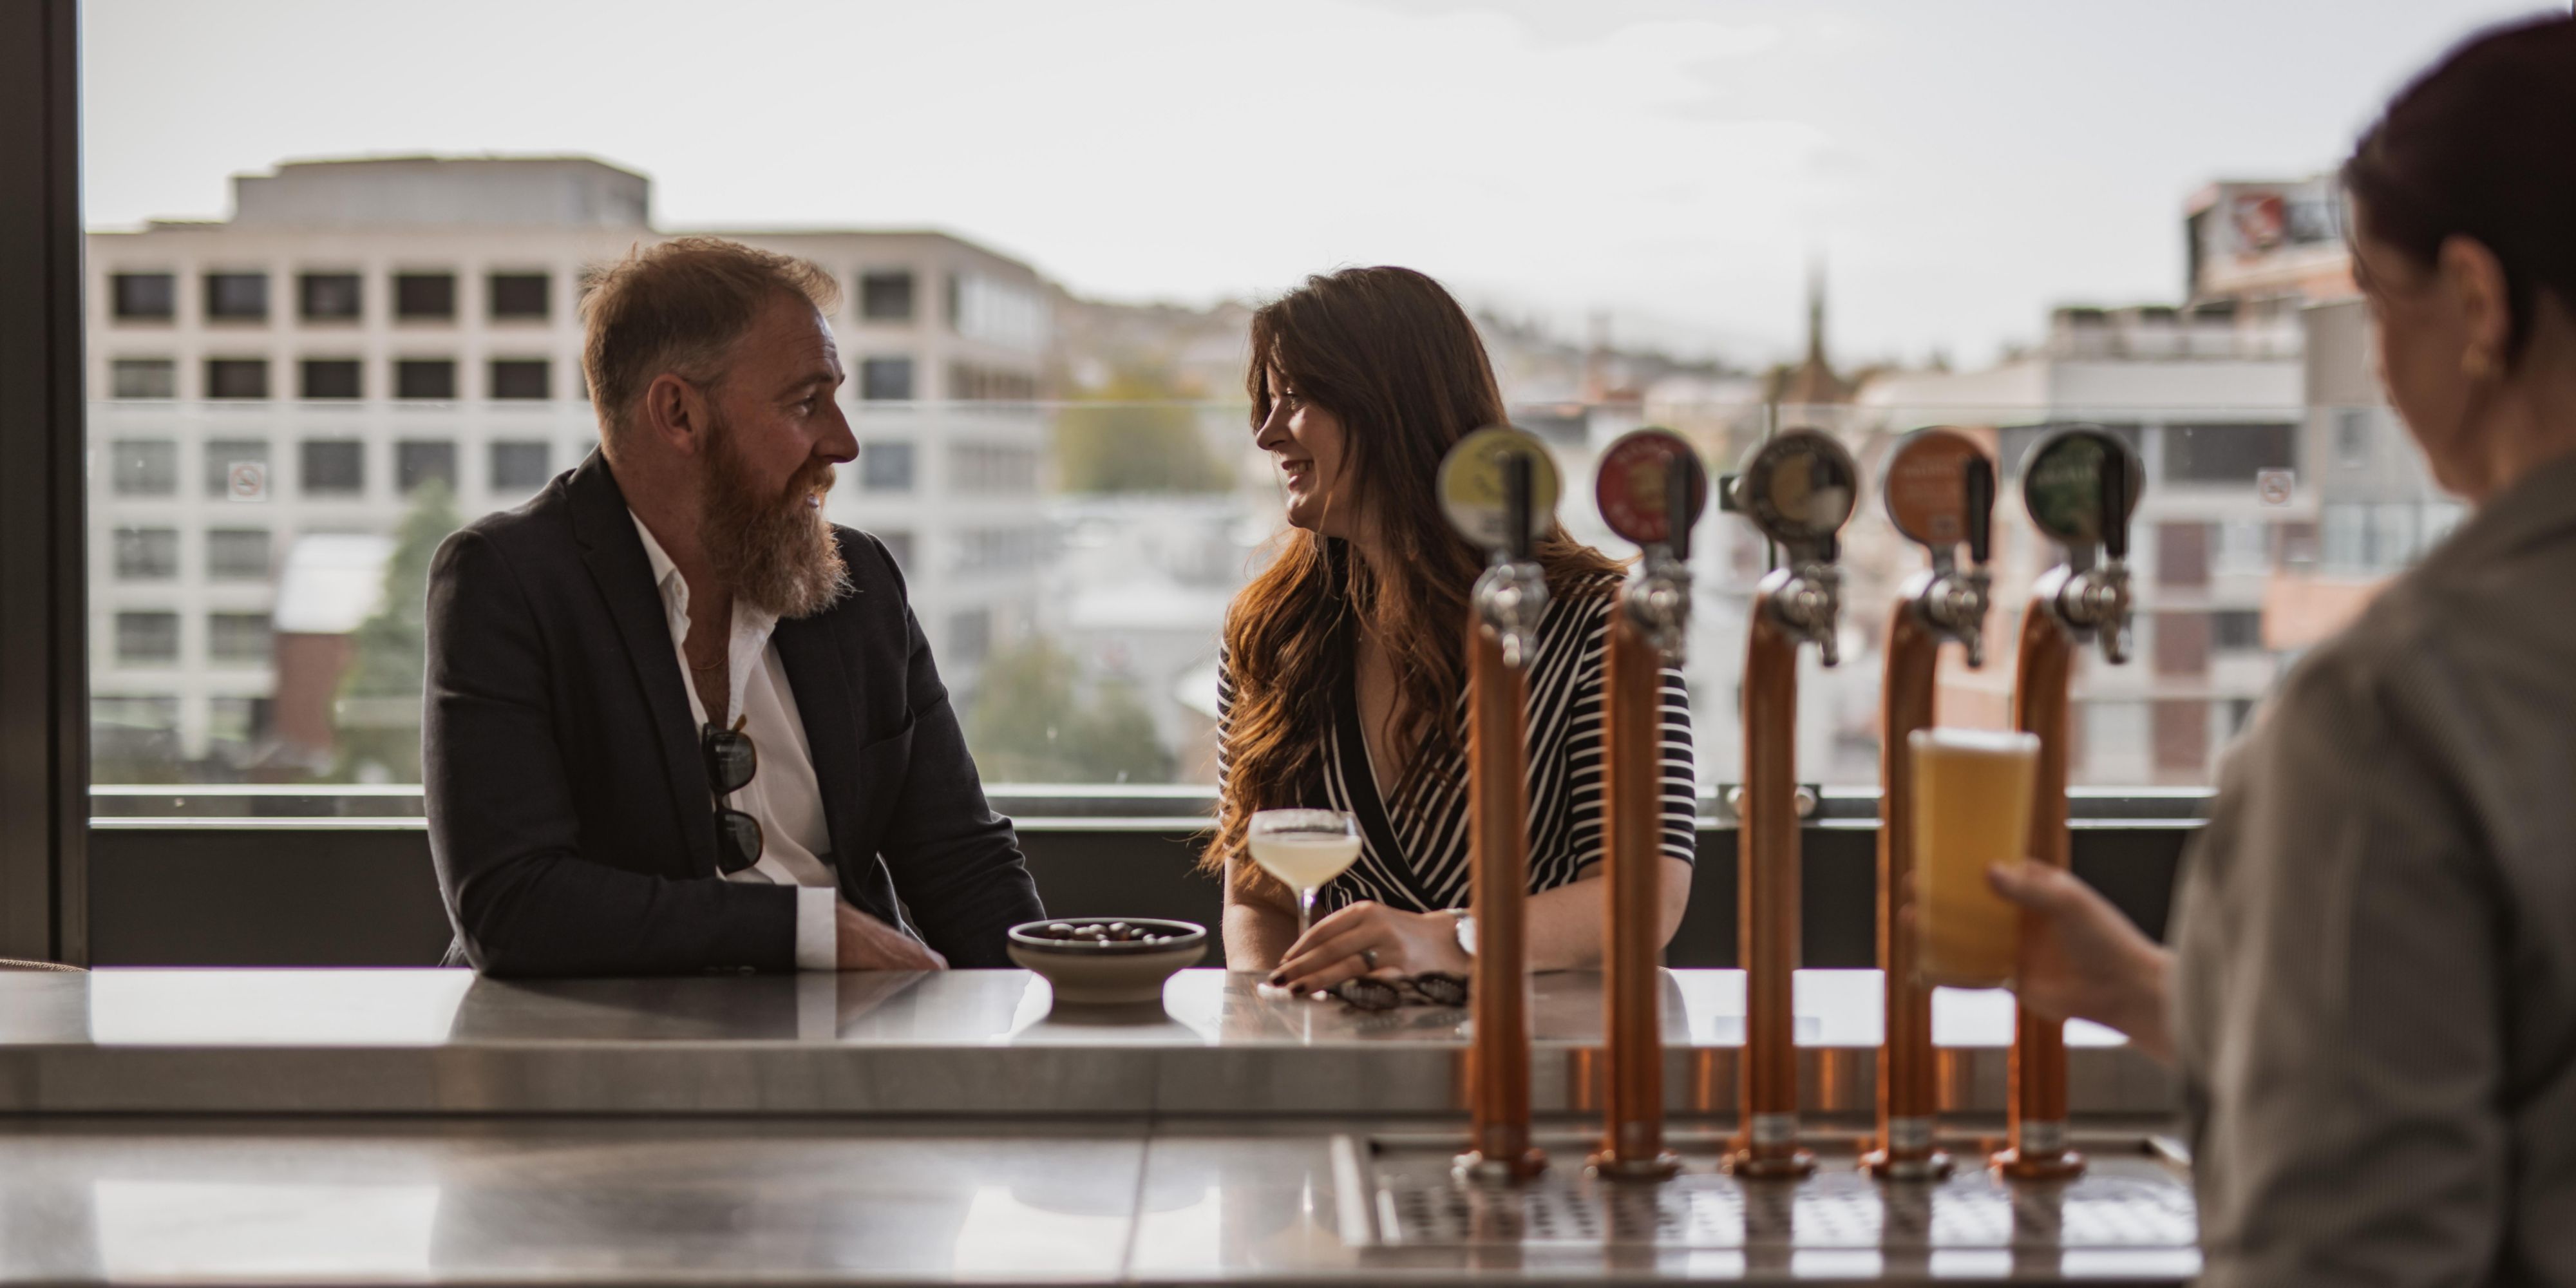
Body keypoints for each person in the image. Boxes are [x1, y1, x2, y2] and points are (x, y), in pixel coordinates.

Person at [1989, 17, 2576, 1285]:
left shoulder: (2391, 717)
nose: (2373, 359)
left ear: (2476, 306)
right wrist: (2162, 989)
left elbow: (2347, 1253)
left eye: (2375, 300)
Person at [424, 237, 1044, 976]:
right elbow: (513, 904)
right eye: (806, 403)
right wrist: (799, 930)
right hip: (597, 1061)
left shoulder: (862, 582)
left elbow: (961, 861)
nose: (843, 444)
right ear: (679, 413)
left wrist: (1062, 1017)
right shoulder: (506, 582)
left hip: (842, 1056)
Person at [1209, 266, 1696, 993]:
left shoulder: (1599, 620)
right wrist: (1282, 1018)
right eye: (1265, 402)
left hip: (1554, 1057)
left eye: (1295, 398)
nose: (1266, 432)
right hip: (1350, 1057)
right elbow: (1257, 898)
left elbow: (1644, 896)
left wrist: (1445, 940)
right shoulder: (1270, 631)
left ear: (1390, 409)